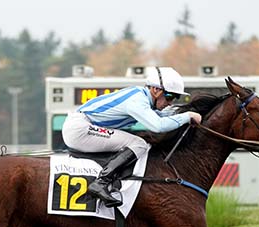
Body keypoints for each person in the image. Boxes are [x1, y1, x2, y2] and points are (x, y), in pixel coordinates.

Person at [62, 66, 202, 207]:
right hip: (80, 129)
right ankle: (101, 183)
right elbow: (158, 126)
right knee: (138, 144)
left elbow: (164, 115)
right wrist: (187, 116)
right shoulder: (137, 100)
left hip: (82, 126)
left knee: (135, 142)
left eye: (176, 98)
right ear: (156, 90)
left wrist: (191, 112)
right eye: (170, 96)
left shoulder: (141, 96)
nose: (171, 102)